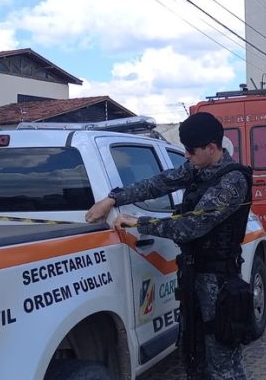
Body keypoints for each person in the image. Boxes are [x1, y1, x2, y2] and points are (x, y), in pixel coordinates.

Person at [85, 112, 252, 380]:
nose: (186, 155)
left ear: (211, 148)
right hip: (192, 277)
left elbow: (190, 227)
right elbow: (160, 183)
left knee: (222, 361)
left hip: (219, 284)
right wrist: (113, 198)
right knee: (193, 353)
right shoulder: (198, 167)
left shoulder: (232, 181)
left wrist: (138, 223)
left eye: (190, 150)